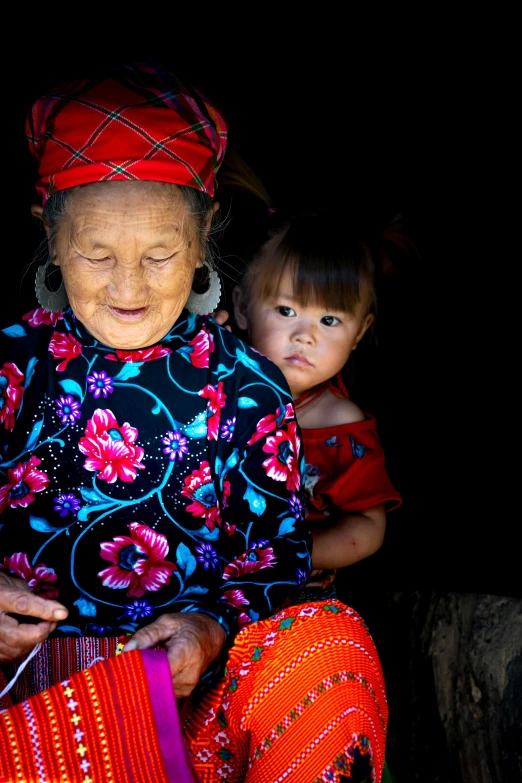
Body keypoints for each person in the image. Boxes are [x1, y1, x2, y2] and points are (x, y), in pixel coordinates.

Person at [0, 63, 388, 782]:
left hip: (182, 720)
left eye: (158, 255)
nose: (127, 287)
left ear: (205, 235)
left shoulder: (248, 387)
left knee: (329, 642)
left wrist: (210, 633)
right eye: (96, 254)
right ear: (50, 238)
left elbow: (273, 569)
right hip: (16, 712)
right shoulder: (8, 369)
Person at [233, 210, 402, 602]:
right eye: (287, 311)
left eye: (328, 319)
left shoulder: (340, 426)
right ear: (242, 308)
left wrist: (290, 556)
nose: (305, 336)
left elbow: (367, 527)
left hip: (296, 606)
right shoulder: (213, 397)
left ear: (359, 330)